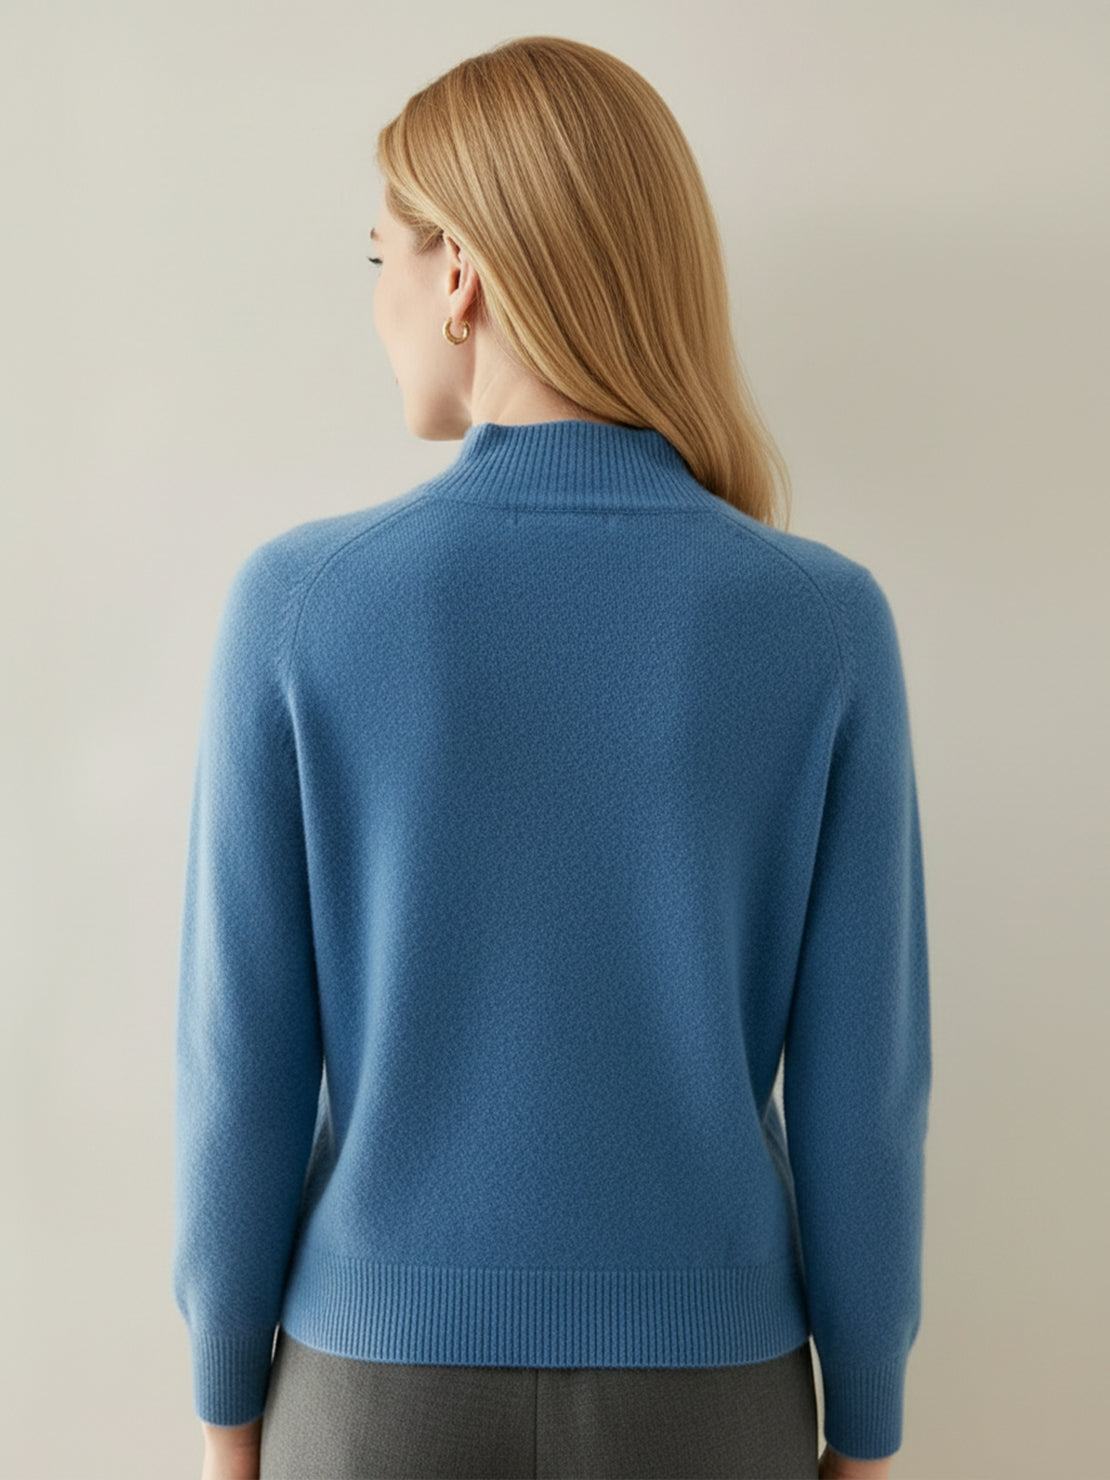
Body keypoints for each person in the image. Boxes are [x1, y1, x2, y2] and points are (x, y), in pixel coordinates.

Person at [172, 34, 932, 1480]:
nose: (379, 302)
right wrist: (866, 1427)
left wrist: (226, 1418)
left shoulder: (301, 606)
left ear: (459, 274)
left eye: (381, 257)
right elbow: (865, 1094)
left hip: (371, 1394)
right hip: (713, 1401)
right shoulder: (823, 622)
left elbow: (239, 1065)